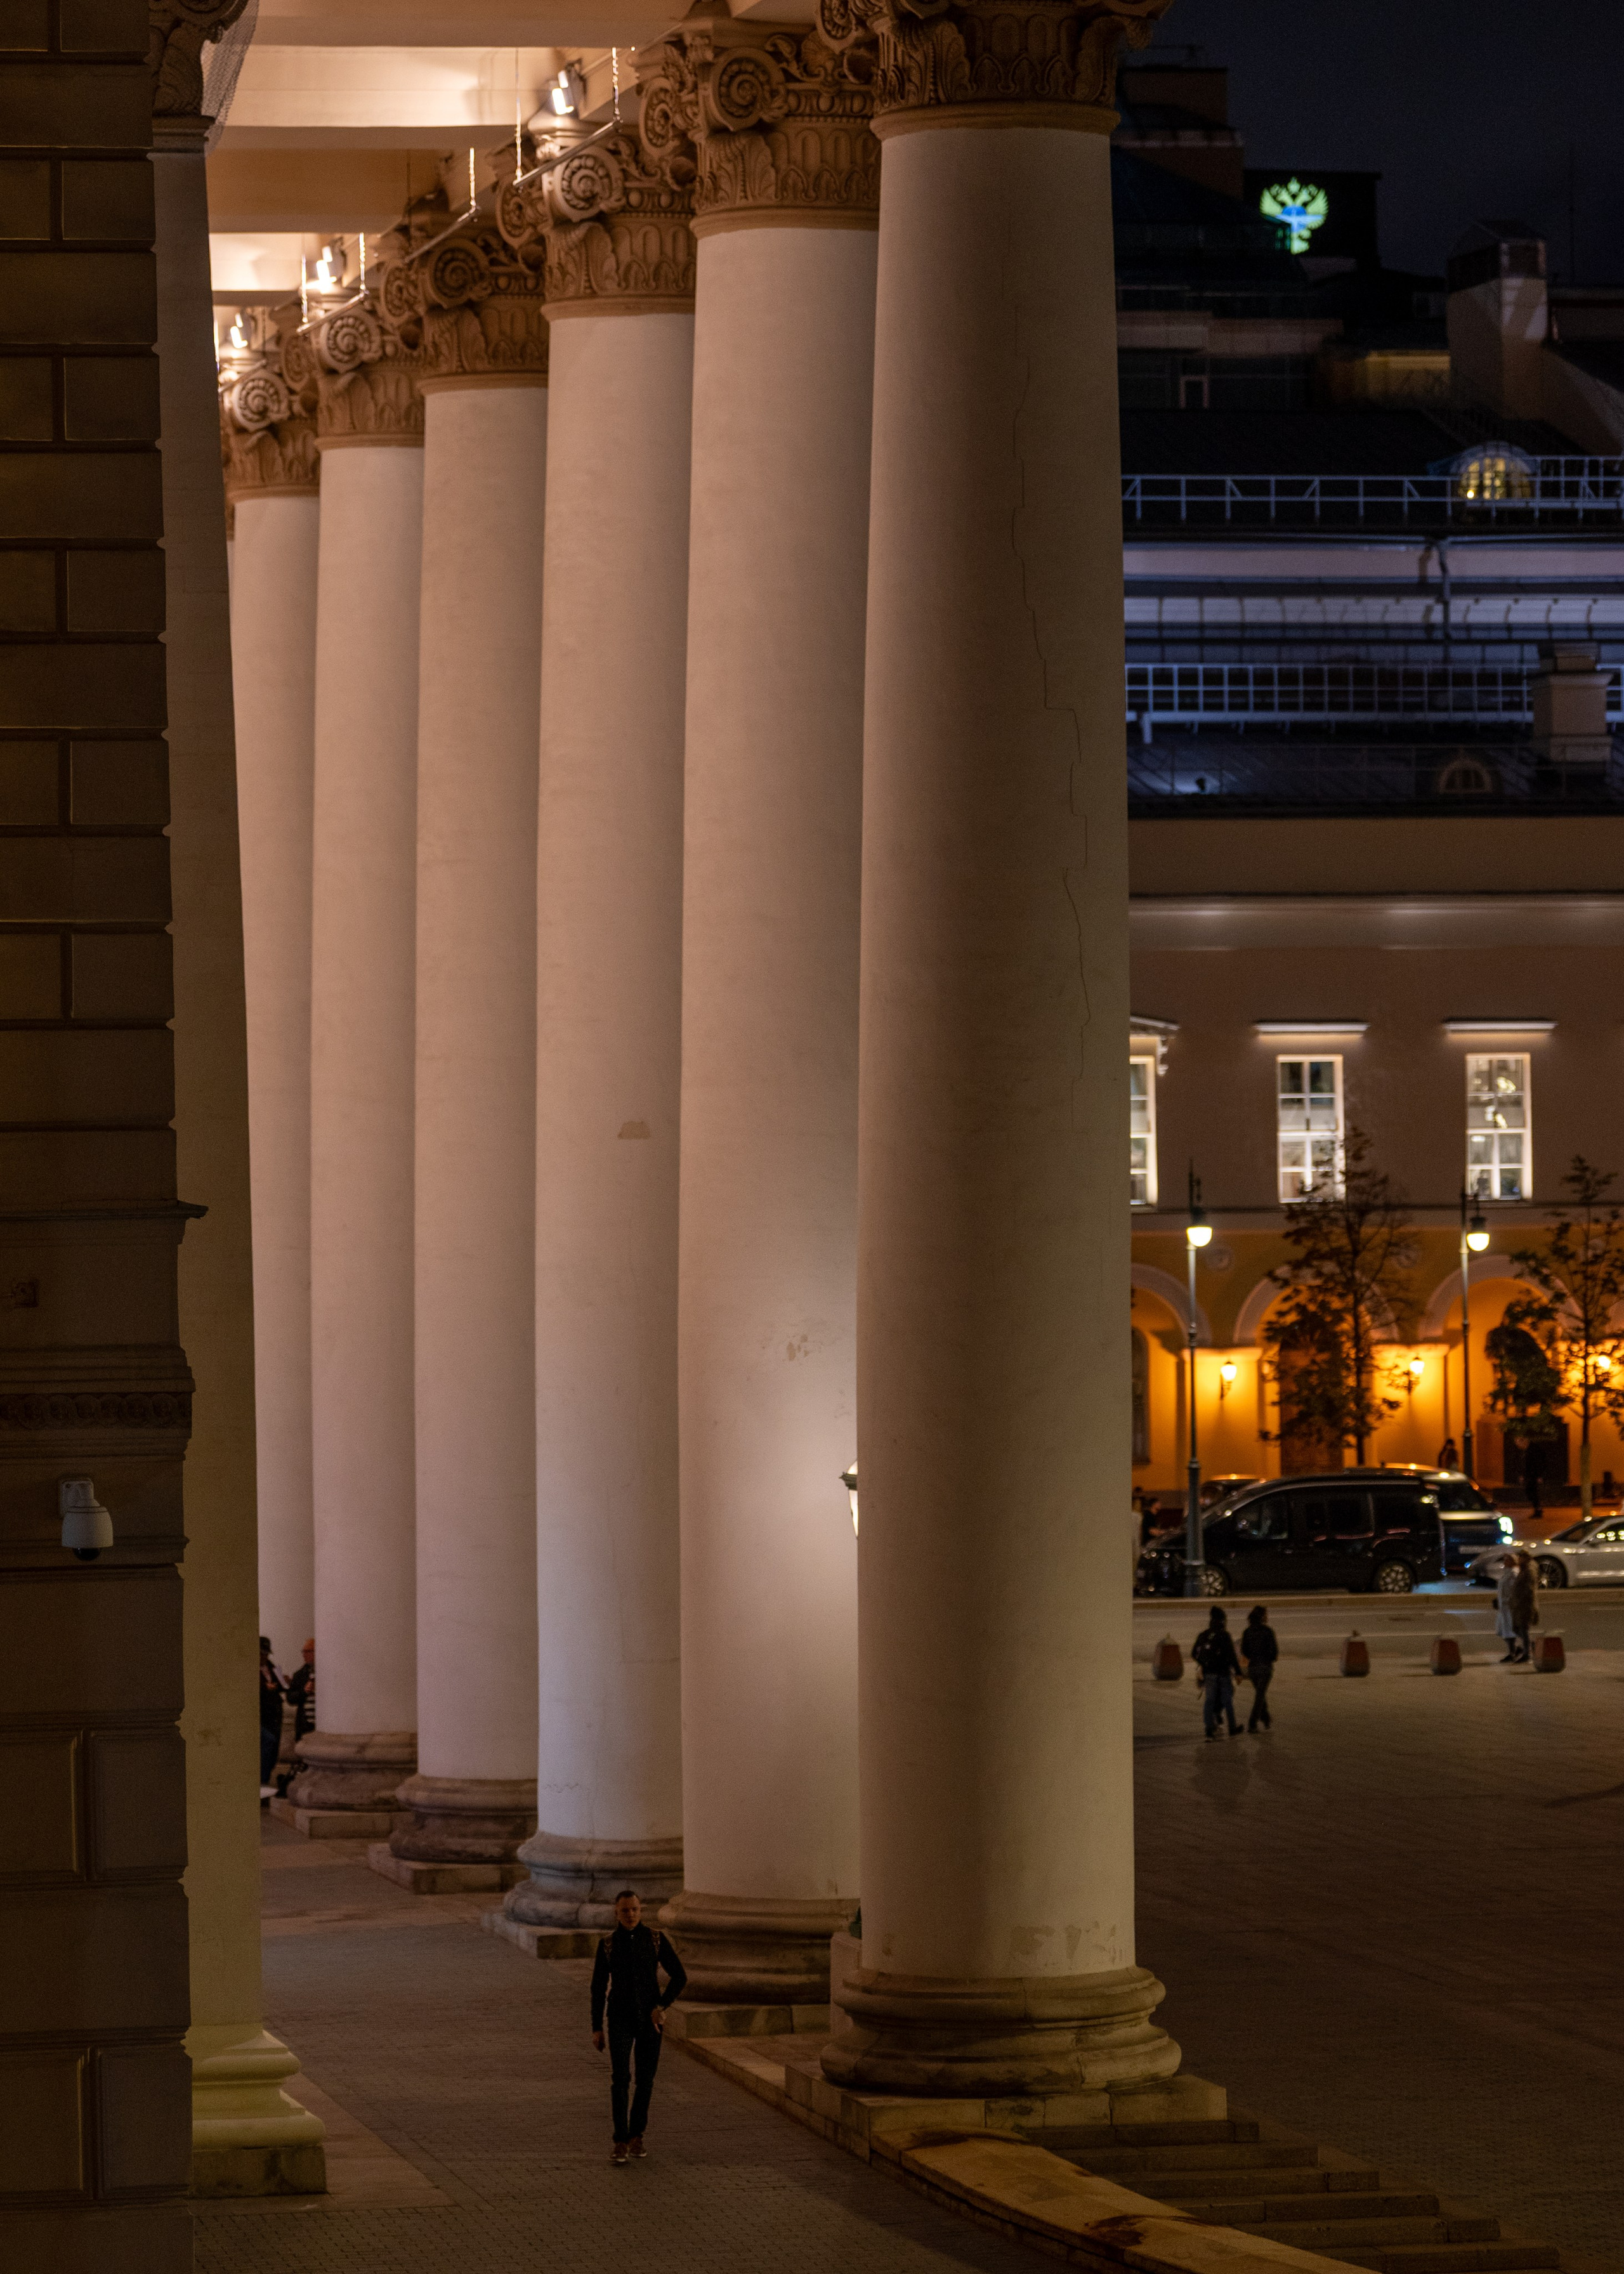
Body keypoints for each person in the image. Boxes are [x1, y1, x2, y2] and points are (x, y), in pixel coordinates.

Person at [591, 1889, 688, 2165]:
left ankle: (637, 2136)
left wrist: (662, 2007)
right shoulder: (608, 1945)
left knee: (645, 2081)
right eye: (625, 1911)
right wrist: (596, 2027)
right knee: (620, 2079)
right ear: (616, 1913)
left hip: (649, 2021)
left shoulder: (656, 1940)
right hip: (619, 2018)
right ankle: (620, 2140)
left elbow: (680, 1976)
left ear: (640, 1911)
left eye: (634, 1910)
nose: (630, 1915)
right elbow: (598, 1989)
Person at [1191, 1606, 1242, 1741]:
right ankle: (1232, 1728)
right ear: (1223, 1621)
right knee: (1227, 1700)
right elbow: (1232, 1656)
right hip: (1223, 1673)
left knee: (1209, 1701)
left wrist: (1204, 1663)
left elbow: (1194, 1653)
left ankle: (1209, 1730)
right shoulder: (1225, 1636)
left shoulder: (1204, 1635)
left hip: (1209, 1674)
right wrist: (1238, 1673)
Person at [1240, 1604, 1278, 1732]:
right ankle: (1252, 1723)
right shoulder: (1267, 1631)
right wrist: (1270, 1658)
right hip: (1265, 1668)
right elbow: (1274, 1651)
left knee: (1260, 1694)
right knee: (1260, 1696)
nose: (1267, 1617)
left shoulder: (1247, 1632)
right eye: (1266, 1615)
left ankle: (1266, 1718)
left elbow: (1244, 1650)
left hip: (1253, 1669)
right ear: (1262, 1617)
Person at [258, 1637, 285, 1798]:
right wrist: (264, 1688)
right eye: (262, 1654)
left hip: (274, 1713)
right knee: (268, 1742)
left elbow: (282, 1686)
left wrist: (282, 1683)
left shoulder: (272, 1668)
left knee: (273, 1749)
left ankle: (265, 1781)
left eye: (266, 1654)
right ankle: (262, 1781)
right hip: (261, 1714)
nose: (264, 1657)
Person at [1510, 1549, 1540, 1664]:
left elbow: (1529, 1589)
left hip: (1526, 1605)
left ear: (1525, 1557)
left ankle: (1527, 1653)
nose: (1518, 1559)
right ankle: (1530, 1645)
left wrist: (1521, 1601)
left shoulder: (1529, 1570)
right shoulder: (1524, 1568)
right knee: (1517, 1628)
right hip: (1520, 1605)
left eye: (1519, 1557)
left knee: (1523, 1628)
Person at [1494, 1553, 1519, 1662]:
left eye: (1507, 1560)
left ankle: (1513, 1653)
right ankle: (1518, 1649)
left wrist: (1507, 1601)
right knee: (1503, 1630)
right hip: (1503, 1607)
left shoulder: (1513, 1574)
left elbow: (1513, 1591)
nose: (1504, 1562)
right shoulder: (1507, 1573)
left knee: (1509, 1631)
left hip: (1509, 1607)